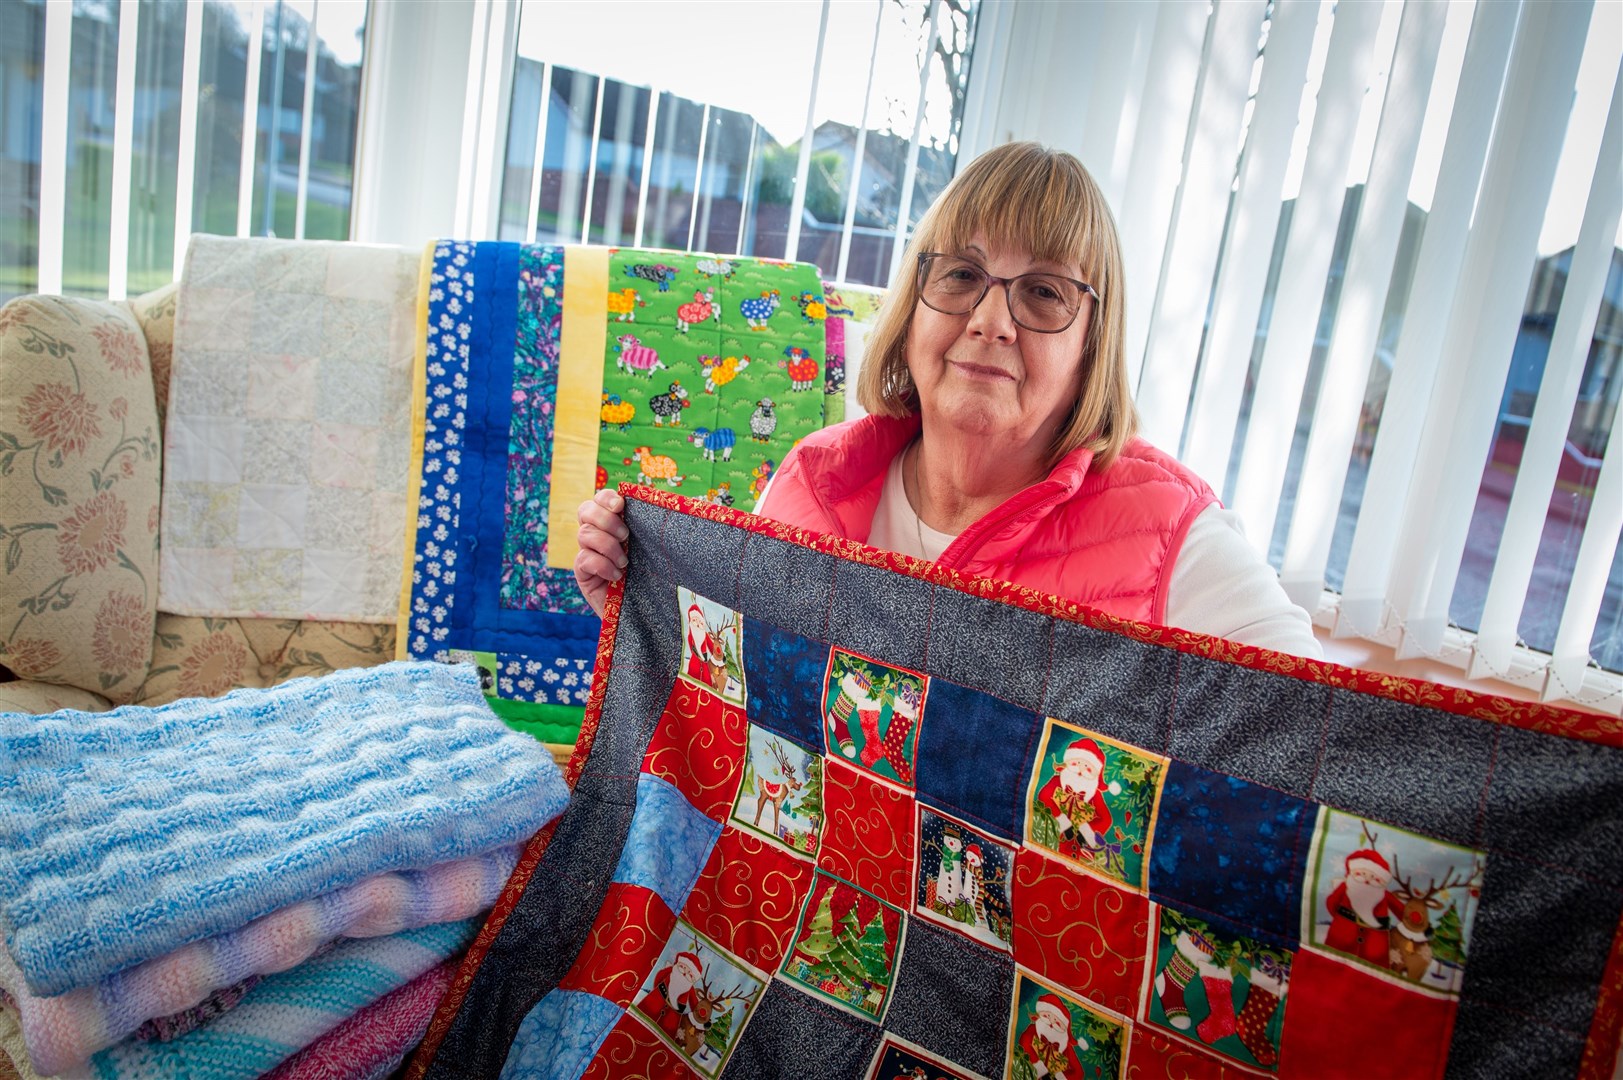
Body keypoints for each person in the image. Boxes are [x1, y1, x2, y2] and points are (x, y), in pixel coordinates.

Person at [575, 142, 1320, 658]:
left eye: (1043, 292)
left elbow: (1328, 744)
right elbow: (741, 718)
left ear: (1091, 342)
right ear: (913, 306)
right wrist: (631, 610)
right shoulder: (810, 482)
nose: (990, 322)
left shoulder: (1171, 533)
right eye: (962, 276)